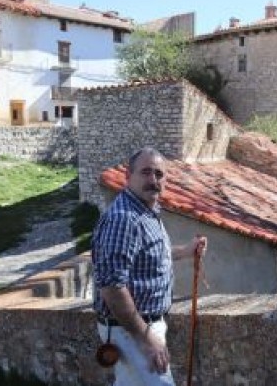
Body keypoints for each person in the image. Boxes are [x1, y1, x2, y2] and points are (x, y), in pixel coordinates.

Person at [92, 147, 206, 386]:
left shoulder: (146, 212)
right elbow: (112, 286)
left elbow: (149, 257)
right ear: (129, 176)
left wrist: (185, 251)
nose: (153, 179)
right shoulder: (124, 219)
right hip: (131, 331)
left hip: (139, 328)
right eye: (145, 172)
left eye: (159, 174)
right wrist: (145, 337)